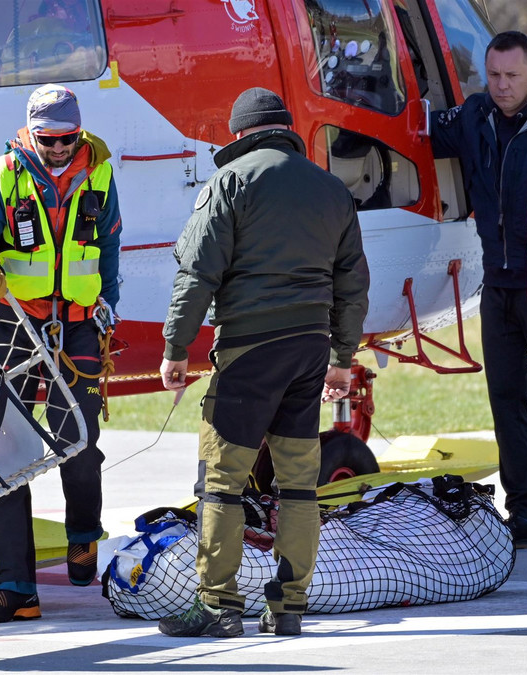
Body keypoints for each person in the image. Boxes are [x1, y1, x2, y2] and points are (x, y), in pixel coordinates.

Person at [157, 87, 369, 638]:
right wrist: (342, 358)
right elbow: (353, 283)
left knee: (222, 482)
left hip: (249, 349)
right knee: (299, 483)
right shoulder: (331, 189)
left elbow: (196, 273)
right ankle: (289, 606)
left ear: (241, 134)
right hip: (308, 350)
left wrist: (176, 347)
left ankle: (218, 605)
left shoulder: (228, 183)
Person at [0, 84, 121, 623]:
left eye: (68, 138)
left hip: (77, 329)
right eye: (49, 139)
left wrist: (109, 306)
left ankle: (82, 535)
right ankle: (15, 589)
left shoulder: (98, 171)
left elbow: (110, 245)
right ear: (31, 131)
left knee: (79, 441)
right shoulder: (1, 173)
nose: (59, 148)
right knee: (5, 455)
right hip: (13, 324)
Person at [429, 30, 527, 549]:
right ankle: (524, 514)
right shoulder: (472, 118)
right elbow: (413, 132)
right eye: (493, 75)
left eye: (512, 76)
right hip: (496, 288)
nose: (501, 85)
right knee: (506, 402)